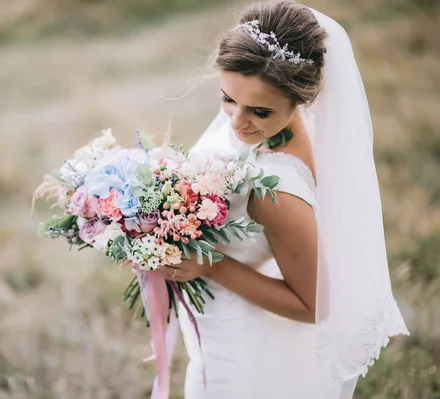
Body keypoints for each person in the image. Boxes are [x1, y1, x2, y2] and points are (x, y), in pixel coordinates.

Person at [156, 1, 409, 397]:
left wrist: (211, 267)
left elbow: (315, 306)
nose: (236, 122)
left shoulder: (276, 192)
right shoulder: (262, 126)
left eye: (258, 111)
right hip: (221, 321)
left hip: (243, 344)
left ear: (301, 100)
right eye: (227, 99)